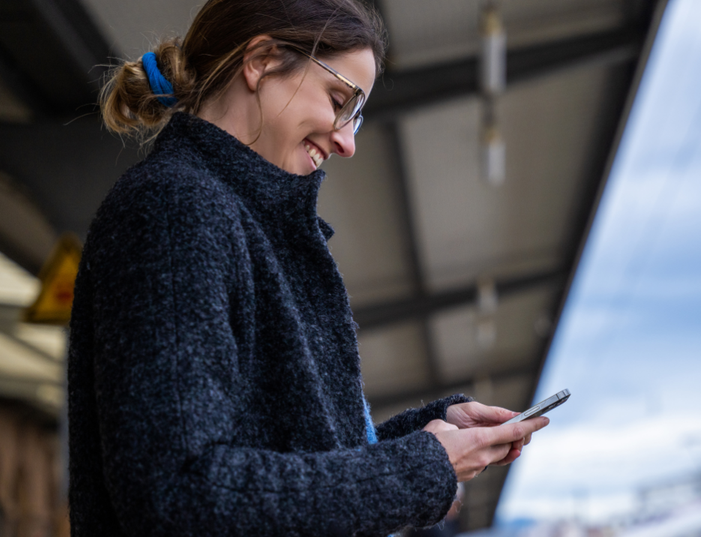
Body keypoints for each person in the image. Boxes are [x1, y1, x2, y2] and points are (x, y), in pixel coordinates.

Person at [66, 1, 549, 536]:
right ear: (264, 61)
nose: (347, 142)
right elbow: (181, 491)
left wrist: (428, 435)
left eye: (356, 115)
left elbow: (287, 454)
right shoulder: (176, 210)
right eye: (339, 100)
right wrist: (423, 466)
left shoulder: (236, 219)